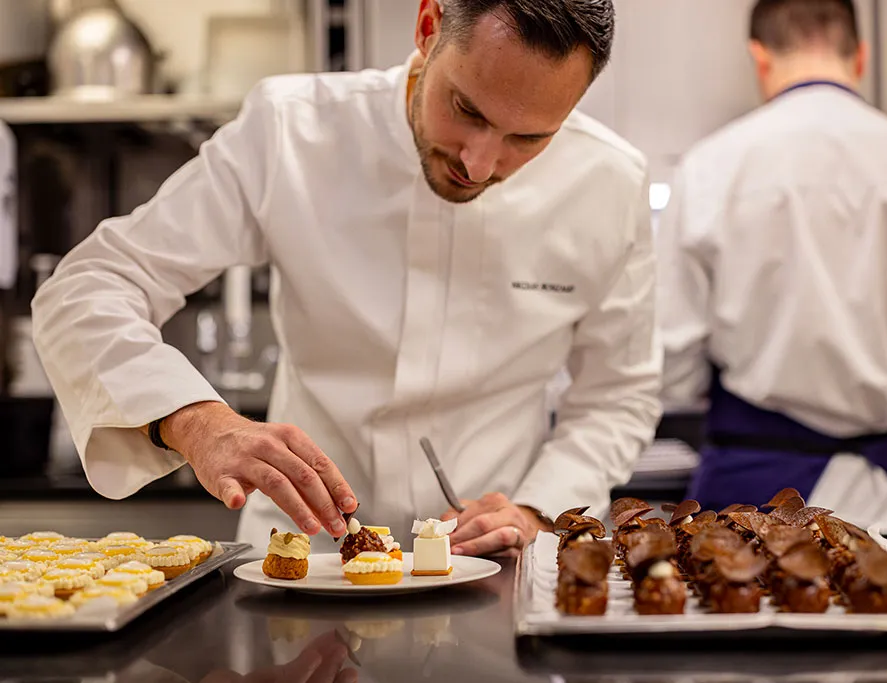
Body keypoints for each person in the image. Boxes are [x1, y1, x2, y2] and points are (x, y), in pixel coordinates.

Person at [32, 0, 661, 555]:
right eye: (465, 109)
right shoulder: (290, 131)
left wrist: (536, 509)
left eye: (528, 138)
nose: (480, 161)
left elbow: (618, 396)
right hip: (300, 563)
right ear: (427, 25)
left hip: (498, 569)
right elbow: (89, 285)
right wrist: (196, 420)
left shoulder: (609, 183)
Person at [657, 0, 887, 532]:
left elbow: (672, 367)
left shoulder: (710, 169)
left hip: (748, 512)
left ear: (760, 57)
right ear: (861, 57)